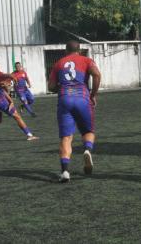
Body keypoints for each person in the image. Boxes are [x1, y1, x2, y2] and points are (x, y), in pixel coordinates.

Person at [48, 41, 101, 183]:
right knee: (88, 132)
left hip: (65, 99)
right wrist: (93, 94)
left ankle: (65, 171)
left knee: (66, 138)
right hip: (82, 98)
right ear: (80, 50)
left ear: (66, 51)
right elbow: (97, 75)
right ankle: (87, 150)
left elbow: (51, 86)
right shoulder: (86, 60)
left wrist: (60, 88)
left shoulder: (58, 63)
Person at [0, 59, 38, 143]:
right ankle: (29, 135)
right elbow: (5, 76)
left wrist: (5, 84)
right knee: (17, 116)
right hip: (0, 101)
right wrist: (12, 78)